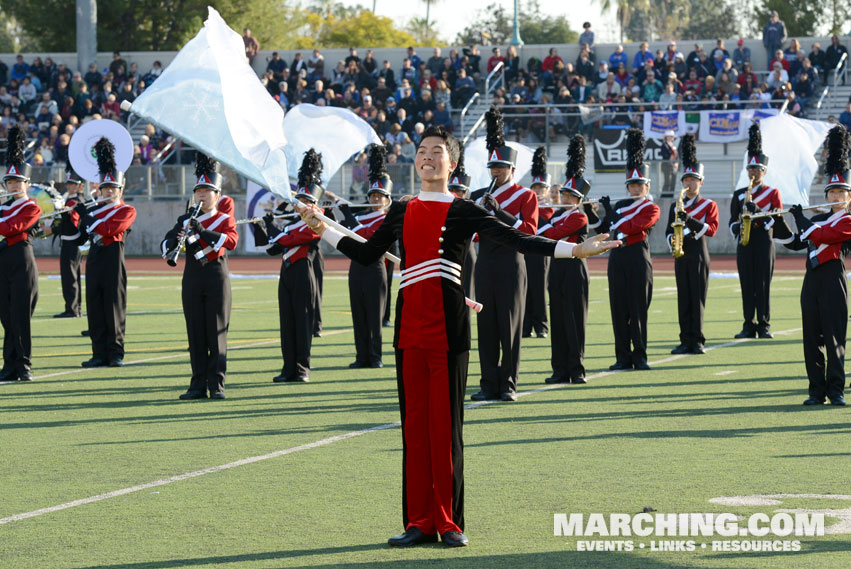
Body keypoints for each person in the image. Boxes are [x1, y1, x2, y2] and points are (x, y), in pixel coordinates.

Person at [299, 124, 617, 550]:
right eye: (422, 150)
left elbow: (519, 238)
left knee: (446, 428)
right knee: (414, 429)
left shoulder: (464, 210)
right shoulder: (402, 209)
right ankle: (417, 521)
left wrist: (575, 250)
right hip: (408, 332)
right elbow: (366, 252)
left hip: (450, 331)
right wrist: (324, 228)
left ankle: (448, 522)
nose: (427, 156)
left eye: (437, 151)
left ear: (452, 162)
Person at [469, 107, 539, 402]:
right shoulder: (478, 196)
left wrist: (501, 213)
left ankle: (508, 383)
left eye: (501, 167)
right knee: (486, 325)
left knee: (510, 324)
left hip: (511, 263)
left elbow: (529, 231)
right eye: (492, 167)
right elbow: (471, 234)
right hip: (484, 263)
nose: (496, 171)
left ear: (511, 169)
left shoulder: (526, 196)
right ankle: (488, 383)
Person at [161, 154, 238, 400]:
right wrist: (175, 240)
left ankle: (217, 384)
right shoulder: (185, 219)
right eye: (198, 191)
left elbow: (231, 241)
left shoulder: (224, 218)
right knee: (194, 332)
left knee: (216, 332)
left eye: (207, 191)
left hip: (216, 276)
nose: (202, 195)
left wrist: (203, 230)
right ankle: (197, 385)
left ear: (217, 195)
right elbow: (164, 246)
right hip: (192, 276)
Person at [784, 126, 851, 406]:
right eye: (832, 192)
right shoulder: (820, 217)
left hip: (833, 278)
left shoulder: (846, 220)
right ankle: (816, 390)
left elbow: (823, 236)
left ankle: (835, 389)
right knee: (811, 336)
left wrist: (802, 221)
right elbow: (796, 242)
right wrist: (780, 223)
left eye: (840, 192)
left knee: (834, 335)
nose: (835, 197)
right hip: (811, 280)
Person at [596, 129, 661, 371]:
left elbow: (635, 227)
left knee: (637, 308)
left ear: (647, 186)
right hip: (617, 257)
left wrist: (612, 216)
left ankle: (640, 356)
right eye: (632, 185)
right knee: (618, 308)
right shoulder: (620, 205)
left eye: (639, 185)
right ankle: (622, 357)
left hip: (637, 256)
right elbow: (604, 228)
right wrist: (598, 212)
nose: (635, 189)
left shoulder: (651, 207)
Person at [539, 135, 599, 384]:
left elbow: (551, 234)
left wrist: (543, 222)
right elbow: (544, 231)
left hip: (575, 268)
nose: (564, 199)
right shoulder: (554, 215)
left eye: (570, 197)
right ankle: (559, 369)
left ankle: (577, 368)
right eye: (563, 195)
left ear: (578, 200)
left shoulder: (579, 217)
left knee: (574, 318)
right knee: (559, 318)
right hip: (557, 267)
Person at [263, 150, 324, 383]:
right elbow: (274, 246)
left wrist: (278, 233)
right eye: (300, 201)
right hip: (286, 271)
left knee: (302, 320)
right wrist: (270, 228)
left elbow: (294, 238)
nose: (302, 205)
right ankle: (288, 367)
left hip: (303, 271)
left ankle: (302, 369)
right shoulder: (292, 222)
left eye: (307, 202)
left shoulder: (318, 220)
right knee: (286, 322)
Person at [78, 138, 137, 368]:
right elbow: (80, 238)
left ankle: (115, 352)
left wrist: (88, 218)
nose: (109, 191)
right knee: (94, 304)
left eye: (113, 188)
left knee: (114, 304)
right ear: (99, 190)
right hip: (94, 258)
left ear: (120, 190)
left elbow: (110, 229)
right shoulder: (93, 210)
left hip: (113, 256)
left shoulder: (126, 209)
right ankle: (98, 352)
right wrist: (73, 218)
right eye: (105, 188)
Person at [337, 145, 392, 369]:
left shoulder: (385, 219)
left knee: (374, 314)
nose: (376, 199)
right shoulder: (361, 217)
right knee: (358, 314)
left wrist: (349, 218)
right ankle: (362, 356)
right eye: (373, 195)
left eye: (380, 196)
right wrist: (334, 217)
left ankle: (375, 355)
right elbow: (347, 239)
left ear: (387, 199)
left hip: (375, 268)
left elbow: (367, 237)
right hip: (357, 268)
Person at [665, 134, 719, 355]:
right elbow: (669, 231)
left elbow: (712, 230)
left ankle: (697, 339)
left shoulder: (709, 204)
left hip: (698, 252)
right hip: (681, 254)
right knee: (683, 298)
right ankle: (684, 339)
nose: (689, 184)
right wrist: (673, 242)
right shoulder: (675, 205)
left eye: (693, 180)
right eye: (686, 180)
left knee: (697, 298)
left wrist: (690, 222)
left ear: (701, 182)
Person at [728, 124, 782, 339]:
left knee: (763, 284)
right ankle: (748, 325)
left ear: (764, 171)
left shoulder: (772, 192)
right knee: (746, 283)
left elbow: (776, 220)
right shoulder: (740, 193)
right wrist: (739, 225)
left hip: (764, 242)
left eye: (757, 169)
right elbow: (732, 220)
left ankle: (764, 324)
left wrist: (758, 211)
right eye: (750, 169)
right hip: (745, 240)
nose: (753, 173)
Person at [0, 127, 40, 382]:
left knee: (21, 314)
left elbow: (13, 227)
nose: (13, 186)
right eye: (10, 182)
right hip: (2, 259)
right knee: (5, 315)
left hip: (21, 258)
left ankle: (24, 365)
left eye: (18, 182)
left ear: (26, 184)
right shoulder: (2, 206)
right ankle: (9, 365)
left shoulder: (32, 206)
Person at [44, 164, 85, 318]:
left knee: (69, 277)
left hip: (71, 243)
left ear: (80, 186)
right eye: (69, 183)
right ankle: (75, 308)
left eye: (73, 184)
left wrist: (53, 229)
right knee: (72, 276)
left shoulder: (74, 202)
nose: (70, 186)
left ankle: (72, 309)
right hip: (72, 243)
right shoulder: (71, 200)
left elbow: (72, 224)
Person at [523, 147, 551, 339]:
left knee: (539, 289)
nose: (539, 191)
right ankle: (525, 327)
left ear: (547, 191)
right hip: (526, 251)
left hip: (541, 253)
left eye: (542, 188)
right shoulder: (526, 206)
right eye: (536, 188)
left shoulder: (551, 209)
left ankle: (541, 325)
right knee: (525, 289)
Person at [660, 130, 678, 197]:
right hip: (667, 166)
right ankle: (664, 196)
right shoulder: (664, 145)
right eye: (670, 136)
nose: (671, 137)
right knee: (668, 182)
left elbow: (677, 156)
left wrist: (676, 164)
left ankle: (671, 195)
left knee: (673, 182)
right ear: (666, 137)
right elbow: (665, 156)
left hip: (674, 167)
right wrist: (671, 162)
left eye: (672, 136)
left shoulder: (674, 146)